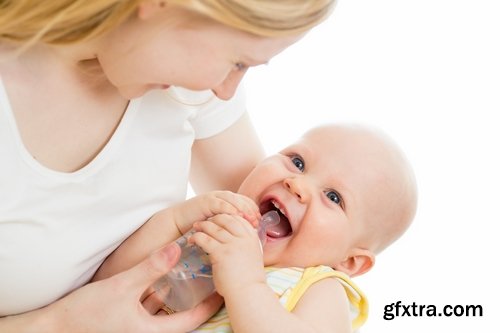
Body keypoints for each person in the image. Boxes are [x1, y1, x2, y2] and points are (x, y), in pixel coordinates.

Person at [0, 1, 337, 331]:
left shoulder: (186, 86)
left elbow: (296, 249)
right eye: (237, 62)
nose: (226, 91)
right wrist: (59, 324)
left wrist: (327, 294)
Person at [95, 123, 418, 332]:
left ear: (349, 262)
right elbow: (105, 288)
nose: (297, 184)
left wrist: (246, 284)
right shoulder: (209, 236)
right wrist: (175, 221)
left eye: (333, 197)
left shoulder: (319, 288)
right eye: (298, 162)